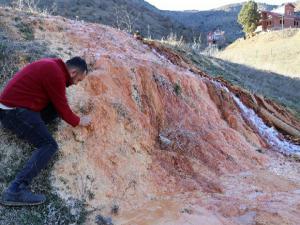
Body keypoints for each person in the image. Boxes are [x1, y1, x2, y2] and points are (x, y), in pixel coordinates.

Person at [0, 57, 92, 206]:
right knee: (49, 145)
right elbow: (64, 110)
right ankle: (15, 190)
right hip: (13, 112)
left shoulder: (54, 66)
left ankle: (34, 128)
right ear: (73, 72)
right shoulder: (55, 73)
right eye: (78, 80)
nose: (76, 84)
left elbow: (59, 105)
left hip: (17, 107)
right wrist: (80, 121)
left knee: (54, 108)